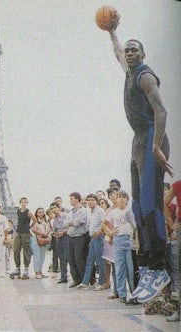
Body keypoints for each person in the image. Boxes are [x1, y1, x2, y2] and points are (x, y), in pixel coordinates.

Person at [104, 22, 173, 303]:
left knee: (149, 204)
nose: (129, 53)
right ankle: (146, 264)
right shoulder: (128, 69)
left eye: (135, 50)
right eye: (129, 50)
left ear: (142, 55)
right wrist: (111, 32)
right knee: (136, 206)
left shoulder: (145, 77)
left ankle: (159, 268)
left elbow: (161, 110)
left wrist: (157, 146)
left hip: (150, 139)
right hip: (137, 142)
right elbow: (117, 52)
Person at [104, 190, 136, 303]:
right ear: (116, 199)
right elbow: (104, 224)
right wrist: (110, 232)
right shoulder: (113, 212)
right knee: (119, 268)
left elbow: (135, 226)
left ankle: (134, 294)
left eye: (124, 197)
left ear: (127, 199)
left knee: (130, 269)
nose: (121, 199)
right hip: (118, 240)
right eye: (119, 197)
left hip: (129, 240)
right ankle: (122, 294)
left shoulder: (130, 211)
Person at [77, 193, 106, 291]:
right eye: (88, 200)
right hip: (92, 237)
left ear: (96, 201)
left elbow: (104, 223)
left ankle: (101, 282)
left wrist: (99, 232)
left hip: (99, 237)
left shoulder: (100, 211)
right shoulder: (90, 212)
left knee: (99, 260)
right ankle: (85, 282)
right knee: (89, 260)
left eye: (92, 200)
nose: (90, 202)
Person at [164, 180, 181, 322]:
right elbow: (164, 202)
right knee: (179, 270)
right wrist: (170, 223)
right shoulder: (177, 185)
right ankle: (179, 311)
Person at [64, 192, 88, 288]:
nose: (70, 201)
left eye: (71, 199)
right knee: (71, 258)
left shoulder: (83, 210)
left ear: (77, 199)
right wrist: (72, 223)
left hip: (79, 236)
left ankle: (83, 279)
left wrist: (71, 223)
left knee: (79, 258)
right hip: (70, 236)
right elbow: (65, 223)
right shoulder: (70, 212)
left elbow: (80, 222)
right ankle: (76, 279)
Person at [10, 197, 36, 279]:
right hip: (18, 232)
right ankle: (17, 267)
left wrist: (29, 227)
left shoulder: (29, 212)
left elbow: (34, 220)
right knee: (16, 250)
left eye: (25, 202)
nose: (23, 203)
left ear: (27, 203)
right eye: (22, 202)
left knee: (26, 250)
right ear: (20, 203)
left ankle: (26, 268)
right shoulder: (18, 211)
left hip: (25, 233)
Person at [50, 202, 70, 284]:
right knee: (61, 258)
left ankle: (74, 276)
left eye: (55, 207)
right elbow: (54, 230)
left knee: (68, 257)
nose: (53, 209)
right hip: (58, 238)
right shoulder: (53, 220)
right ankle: (63, 276)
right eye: (52, 208)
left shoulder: (65, 215)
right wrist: (55, 234)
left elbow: (70, 226)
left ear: (59, 208)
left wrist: (63, 232)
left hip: (66, 237)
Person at [31, 208, 51, 279]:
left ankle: (40, 271)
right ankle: (37, 272)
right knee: (37, 256)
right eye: (39, 212)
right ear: (36, 213)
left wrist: (46, 233)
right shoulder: (34, 221)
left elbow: (49, 229)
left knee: (42, 256)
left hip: (44, 239)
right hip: (37, 239)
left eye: (42, 212)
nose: (40, 214)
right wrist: (41, 233)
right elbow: (33, 229)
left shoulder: (46, 221)